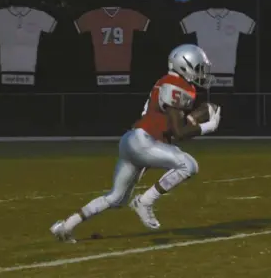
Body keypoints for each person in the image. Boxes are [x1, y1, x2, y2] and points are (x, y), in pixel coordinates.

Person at [50, 44, 221, 243]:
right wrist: (208, 126)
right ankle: (144, 201)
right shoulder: (178, 86)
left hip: (132, 140)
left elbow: (170, 126)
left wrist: (193, 118)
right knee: (189, 165)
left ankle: (65, 226)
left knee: (116, 198)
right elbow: (178, 132)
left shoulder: (168, 82)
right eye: (199, 67)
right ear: (185, 66)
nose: (202, 73)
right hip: (144, 142)